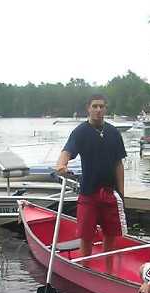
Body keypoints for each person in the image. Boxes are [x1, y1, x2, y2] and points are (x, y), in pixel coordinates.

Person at [56, 93, 127, 273]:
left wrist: (122, 191)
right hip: (88, 192)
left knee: (110, 234)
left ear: (105, 108)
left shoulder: (113, 132)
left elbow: (119, 163)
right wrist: (61, 165)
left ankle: (108, 272)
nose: (98, 110)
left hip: (110, 192)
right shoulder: (80, 132)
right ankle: (85, 268)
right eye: (94, 106)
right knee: (86, 235)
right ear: (88, 108)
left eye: (101, 106)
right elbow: (67, 151)